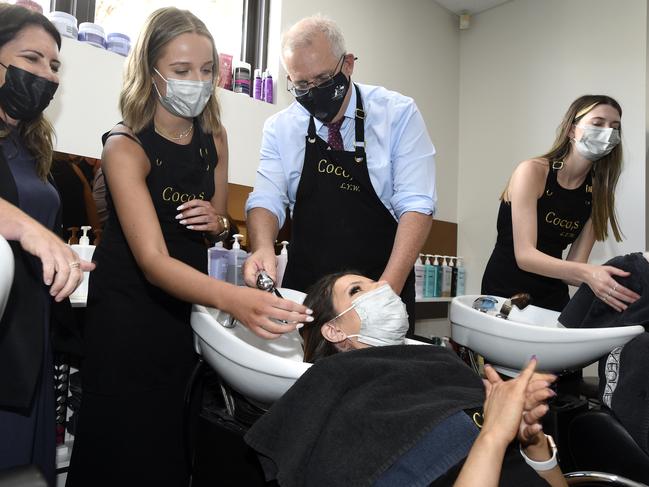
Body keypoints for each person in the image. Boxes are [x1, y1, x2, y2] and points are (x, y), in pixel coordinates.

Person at [65, 8, 312, 487]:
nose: (196, 82)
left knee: (171, 438)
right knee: (119, 442)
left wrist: (215, 219)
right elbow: (154, 262)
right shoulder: (124, 147)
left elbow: (219, 220)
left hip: (186, 312)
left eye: (205, 71)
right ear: (150, 71)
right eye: (181, 72)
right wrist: (235, 300)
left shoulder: (213, 138)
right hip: (129, 310)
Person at [248, 271, 565, 486]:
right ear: (334, 330)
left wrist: (533, 442)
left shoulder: (438, 360)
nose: (380, 289)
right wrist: (494, 434)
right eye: (357, 290)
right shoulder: (336, 390)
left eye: (374, 283)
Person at [243, 14, 436, 335]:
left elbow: (417, 204)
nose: (313, 92)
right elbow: (266, 197)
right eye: (301, 84)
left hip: (380, 280)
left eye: (322, 79)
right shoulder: (281, 128)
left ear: (347, 65)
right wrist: (263, 246)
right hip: (305, 288)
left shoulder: (397, 114)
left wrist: (385, 292)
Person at [0, 5, 94, 484]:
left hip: (32, 332)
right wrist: (27, 229)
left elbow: (37, 229)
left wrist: (60, 252)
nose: (45, 74)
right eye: (31, 59)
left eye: (54, 65)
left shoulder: (32, 147)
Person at [481, 95, 640, 312]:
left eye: (615, 127)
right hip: (504, 295)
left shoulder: (598, 194)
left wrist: (617, 282)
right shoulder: (533, 172)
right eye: (597, 123)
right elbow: (525, 256)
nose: (607, 132)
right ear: (571, 130)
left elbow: (576, 264)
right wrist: (589, 273)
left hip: (552, 299)